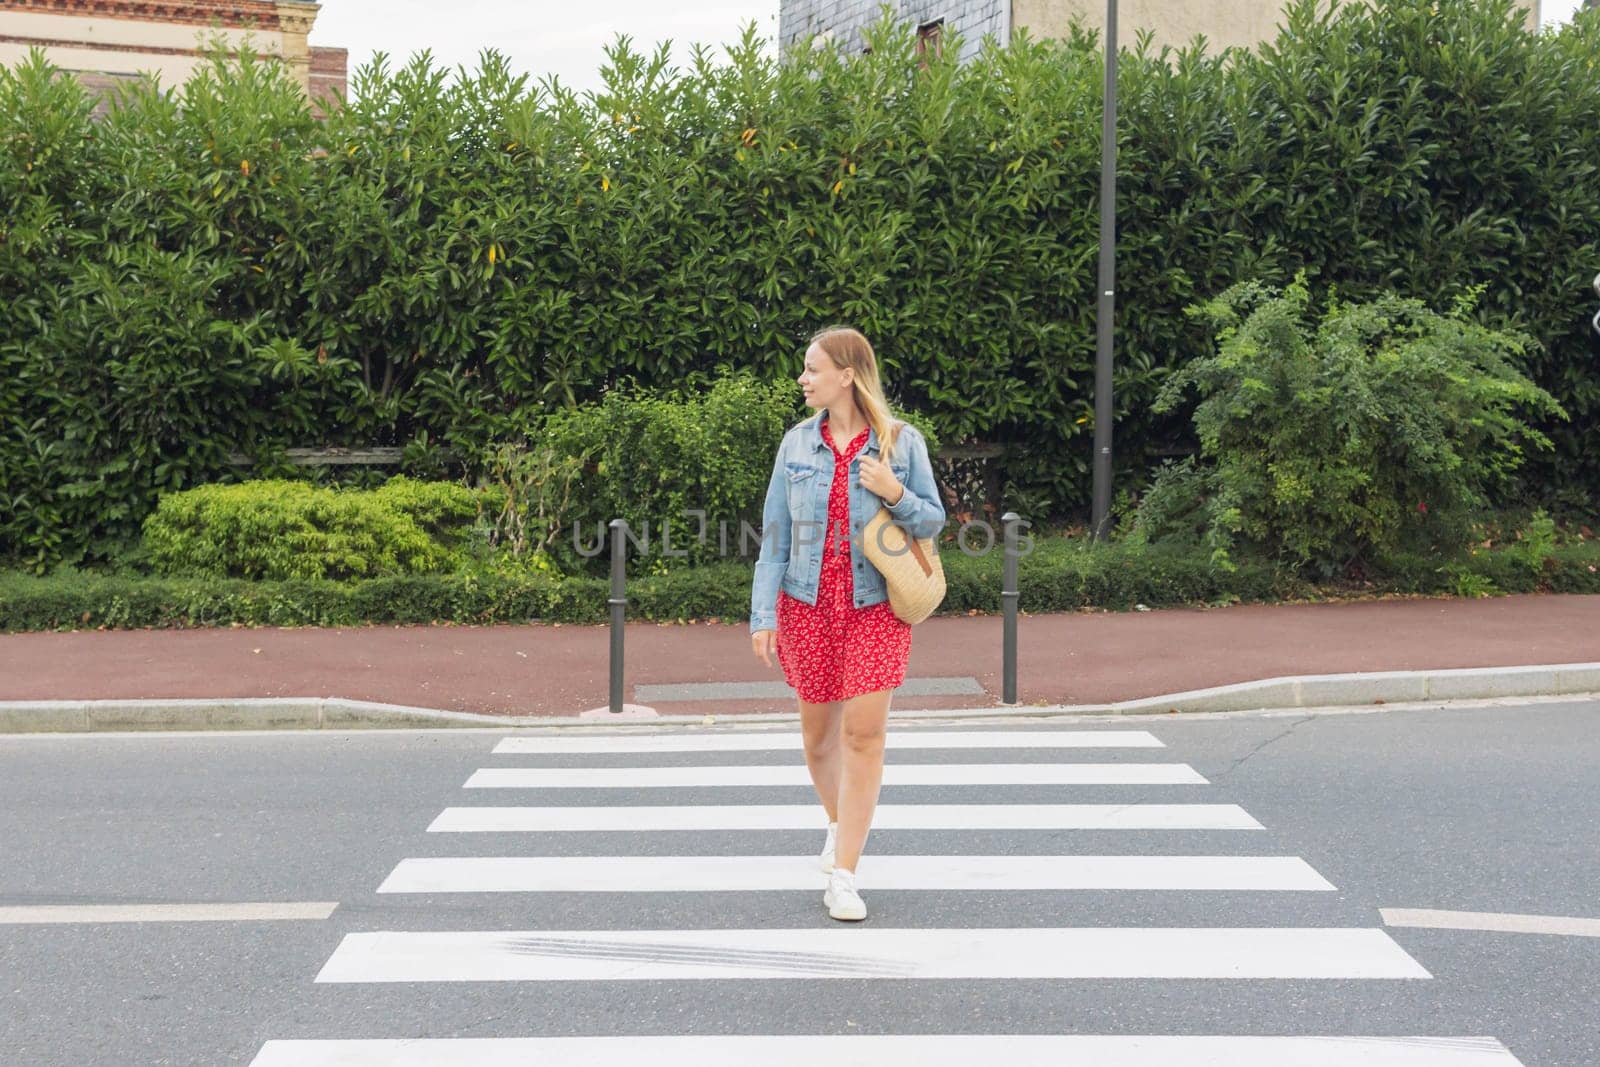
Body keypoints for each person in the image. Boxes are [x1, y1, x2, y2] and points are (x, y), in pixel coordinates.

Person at [748, 325, 947, 921]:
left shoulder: (900, 443)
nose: (803, 379)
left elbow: (933, 521)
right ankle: (838, 822)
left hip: (874, 608)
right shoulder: (795, 446)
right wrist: (764, 615)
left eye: (812, 369)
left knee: (864, 737)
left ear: (847, 375)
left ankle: (845, 874)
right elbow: (775, 537)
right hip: (807, 606)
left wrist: (896, 493)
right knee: (818, 739)